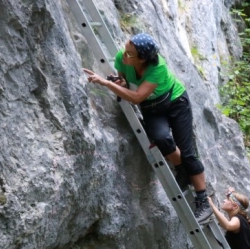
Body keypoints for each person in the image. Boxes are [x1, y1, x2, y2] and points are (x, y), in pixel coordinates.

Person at [83, 33, 212, 222]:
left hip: (175, 101)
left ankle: (203, 202)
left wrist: (107, 83)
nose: (124, 55)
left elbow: (136, 97)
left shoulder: (157, 67)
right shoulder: (123, 57)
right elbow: (126, 81)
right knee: (161, 138)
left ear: (143, 58)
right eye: (125, 50)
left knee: (187, 152)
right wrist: (121, 82)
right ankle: (181, 170)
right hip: (152, 108)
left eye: (130, 54)